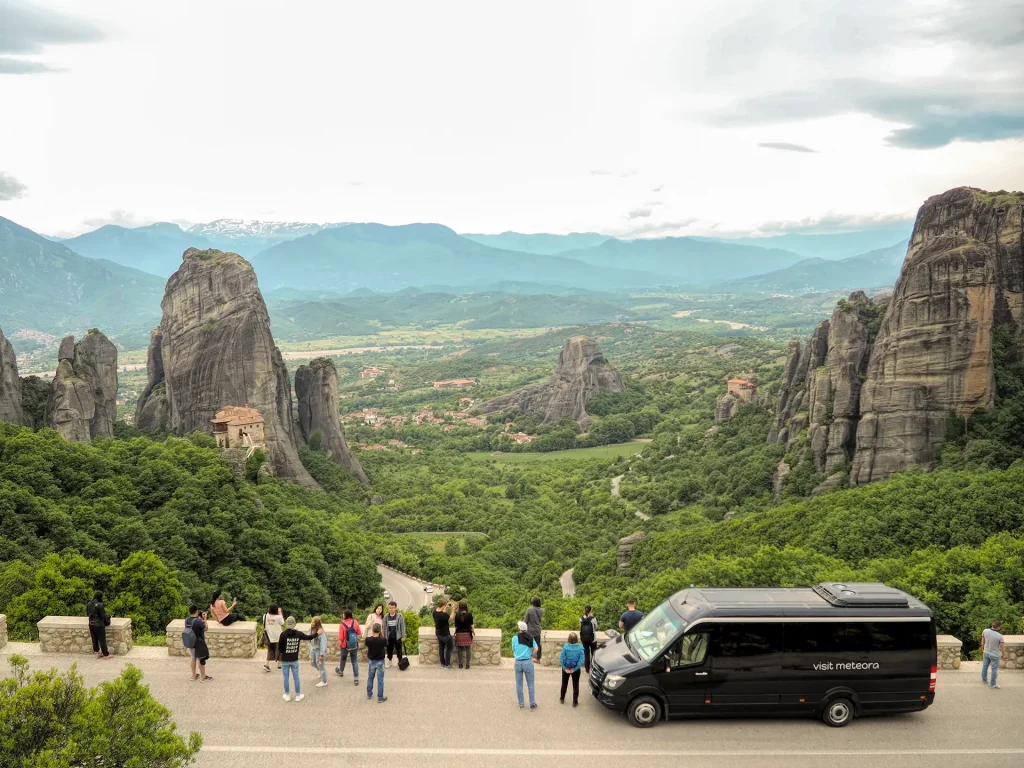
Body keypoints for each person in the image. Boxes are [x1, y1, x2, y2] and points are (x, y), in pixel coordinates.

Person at [277, 616, 314, 702]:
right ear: (294, 624)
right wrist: (317, 633)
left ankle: (287, 695)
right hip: (294, 660)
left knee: (286, 677)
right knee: (296, 677)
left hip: (285, 659)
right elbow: (309, 637)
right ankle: (298, 695)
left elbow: (280, 648)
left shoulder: (283, 634)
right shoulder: (298, 634)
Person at [512, 620, 538, 710]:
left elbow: (513, 649)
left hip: (518, 662)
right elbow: (536, 648)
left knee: (519, 684)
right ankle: (532, 704)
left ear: (519, 629)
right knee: (530, 684)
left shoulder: (515, 638)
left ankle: (521, 704)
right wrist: (531, 655)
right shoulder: (530, 637)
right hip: (528, 662)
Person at [186, 605, 212, 682]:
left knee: (193, 658)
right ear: (196, 611)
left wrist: (201, 620)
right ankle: (203, 677)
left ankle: (194, 676)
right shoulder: (198, 621)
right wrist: (205, 619)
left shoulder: (187, 620)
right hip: (198, 643)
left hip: (190, 642)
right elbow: (206, 628)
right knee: (201, 659)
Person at [336, 610, 362, 685]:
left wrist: (340, 644)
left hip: (344, 645)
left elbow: (340, 637)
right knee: (354, 661)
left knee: (343, 659)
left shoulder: (342, 625)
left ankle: (341, 672)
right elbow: (359, 633)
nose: (342, 615)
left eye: (343, 614)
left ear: (346, 615)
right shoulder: (355, 622)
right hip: (354, 645)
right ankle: (356, 678)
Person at [559, 632, 586, 707]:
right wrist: (575, 669)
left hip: (566, 668)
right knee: (576, 685)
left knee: (564, 683)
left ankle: (562, 698)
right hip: (576, 670)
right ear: (577, 639)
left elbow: (561, 659)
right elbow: (581, 661)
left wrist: (565, 668)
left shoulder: (565, 647)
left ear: (569, 639)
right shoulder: (580, 648)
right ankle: (575, 702)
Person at [364, 624, 388, 702]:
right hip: (380, 661)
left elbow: (366, 644)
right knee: (380, 679)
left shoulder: (368, 639)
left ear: (372, 630)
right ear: (380, 630)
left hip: (371, 661)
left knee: (370, 677)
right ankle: (380, 697)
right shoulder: (382, 640)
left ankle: (369, 694)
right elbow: (386, 644)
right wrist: (382, 634)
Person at [86, 591, 111, 660]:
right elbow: (103, 616)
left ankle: (97, 653)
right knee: (102, 639)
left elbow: (88, 614)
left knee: (94, 639)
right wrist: (108, 616)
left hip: (91, 624)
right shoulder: (100, 604)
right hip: (99, 625)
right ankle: (106, 655)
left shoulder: (89, 603)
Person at [981, 620, 1005, 690]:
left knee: (985, 666)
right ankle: (993, 684)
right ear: (998, 627)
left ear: (992, 625)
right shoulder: (1000, 636)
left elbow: (982, 641)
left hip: (986, 652)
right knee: (994, 669)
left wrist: (983, 648)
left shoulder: (985, 631)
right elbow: (1002, 646)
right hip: (994, 654)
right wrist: (1003, 654)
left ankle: (984, 680)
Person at [433, 599, 456, 669]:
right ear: (443, 605)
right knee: (449, 648)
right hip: (445, 635)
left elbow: (442, 614)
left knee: (441, 648)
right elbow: (451, 618)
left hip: (438, 634)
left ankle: (442, 663)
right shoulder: (444, 615)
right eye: (445, 605)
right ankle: (447, 664)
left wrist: (445, 607)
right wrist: (453, 609)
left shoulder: (434, 612)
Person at [262, 604, 285, 672]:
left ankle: (267, 664)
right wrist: (280, 613)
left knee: (270, 650)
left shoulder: (265, 616)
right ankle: (279, 665)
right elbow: (282, 623)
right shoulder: (278, 617)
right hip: (278, 636)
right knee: (280, 651)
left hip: (269, 637)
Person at [383, 601, 406, 668]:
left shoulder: (400, 616)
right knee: (389, 649)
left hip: (397, 636)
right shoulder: (386, 617)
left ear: (395, 608)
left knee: (399, 649)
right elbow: (384, 627)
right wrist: (384, 636)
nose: (391, 609)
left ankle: (400, 661)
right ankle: (389, 661)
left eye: (392, 608)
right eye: (390, 608)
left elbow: (403, 626)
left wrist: (403, 636)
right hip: (389, 637)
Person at [453, 601, 475, 669]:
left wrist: (455, 632)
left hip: (459, 634)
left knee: (460, 650)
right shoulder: (469, 614)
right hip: (467, 634)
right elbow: (471, 625)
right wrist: (473, 631)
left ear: (460, 607)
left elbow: (456, 626)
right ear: (466, 607)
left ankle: (460, 664)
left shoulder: (457, 615)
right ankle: (467, 665)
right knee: (468, 649)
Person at [309, 616, 328, 688]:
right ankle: (320, 671)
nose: (312, 623)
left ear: (317, 623)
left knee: (320, 664)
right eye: (311, 621)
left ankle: (324, 681)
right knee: (312, 663)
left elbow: (323, 644)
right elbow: (309, 640)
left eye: (313, 622)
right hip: (313, 650)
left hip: (319, 651)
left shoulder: (321, 632)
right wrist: (310, 653)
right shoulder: (311, 630)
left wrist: (321, 655)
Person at [580, 605, 599, 674]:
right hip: (593, 639)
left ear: (584, 610)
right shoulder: (593, 618)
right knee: (594, 653)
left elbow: (580, 627)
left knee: (586, 654)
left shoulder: (581, 618)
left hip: (584, 639)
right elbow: (596, 627)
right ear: (590, 610)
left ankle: (587, 670)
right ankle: (593, 669)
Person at [524, 596, 544, 661]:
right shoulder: (542, 610)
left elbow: (526, 621)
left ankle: (528, 657)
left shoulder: (529, 610)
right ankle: (538, 658)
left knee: (528, 645)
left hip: (529, 630)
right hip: (537, 630)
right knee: (538, 644)